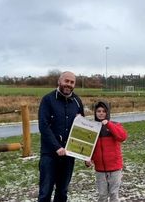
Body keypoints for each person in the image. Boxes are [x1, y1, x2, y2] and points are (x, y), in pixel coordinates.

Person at [38, 71, 84, 202]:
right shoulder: (48, 100)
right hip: (50, 154)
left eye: (72, 82)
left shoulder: (77, 101)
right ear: (59, 81)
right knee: (45, 192)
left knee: (62, 192)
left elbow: (83, 129)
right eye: (66, 81)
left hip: (69, 154)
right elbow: (44, 126)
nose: (68, 84)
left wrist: (86, 154)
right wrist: (57, 147)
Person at [85, 100, 128, 202]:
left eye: (104, 111)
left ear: (107, 113)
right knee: (102, 195)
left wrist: (108, 124)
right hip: (100, 169)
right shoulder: (92, 127)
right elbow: (89, 147)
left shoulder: (115, 125)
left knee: (113, 194)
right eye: (98, 111)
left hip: (115, 168)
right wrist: (87, 159)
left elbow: (122, 137)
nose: (101, 113)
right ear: (95, 113)